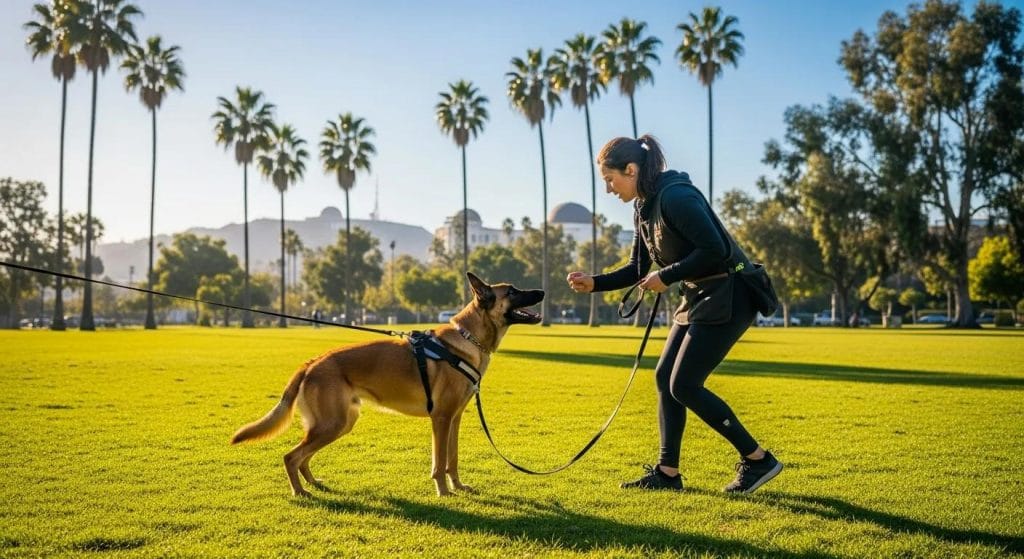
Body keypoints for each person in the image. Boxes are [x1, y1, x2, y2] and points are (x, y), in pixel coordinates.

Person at [566, 135, 782, 494]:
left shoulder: (677, 197)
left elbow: (715, 249)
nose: (608, 189)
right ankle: (668, 473)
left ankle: (758, 460)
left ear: (631, 170)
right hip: (699, 294)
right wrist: (595, 283)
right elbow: (638, 267)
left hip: (731, 292)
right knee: (666, 377)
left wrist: (666, 276)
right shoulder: (643, 206)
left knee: (684, 384)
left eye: (610, 179)